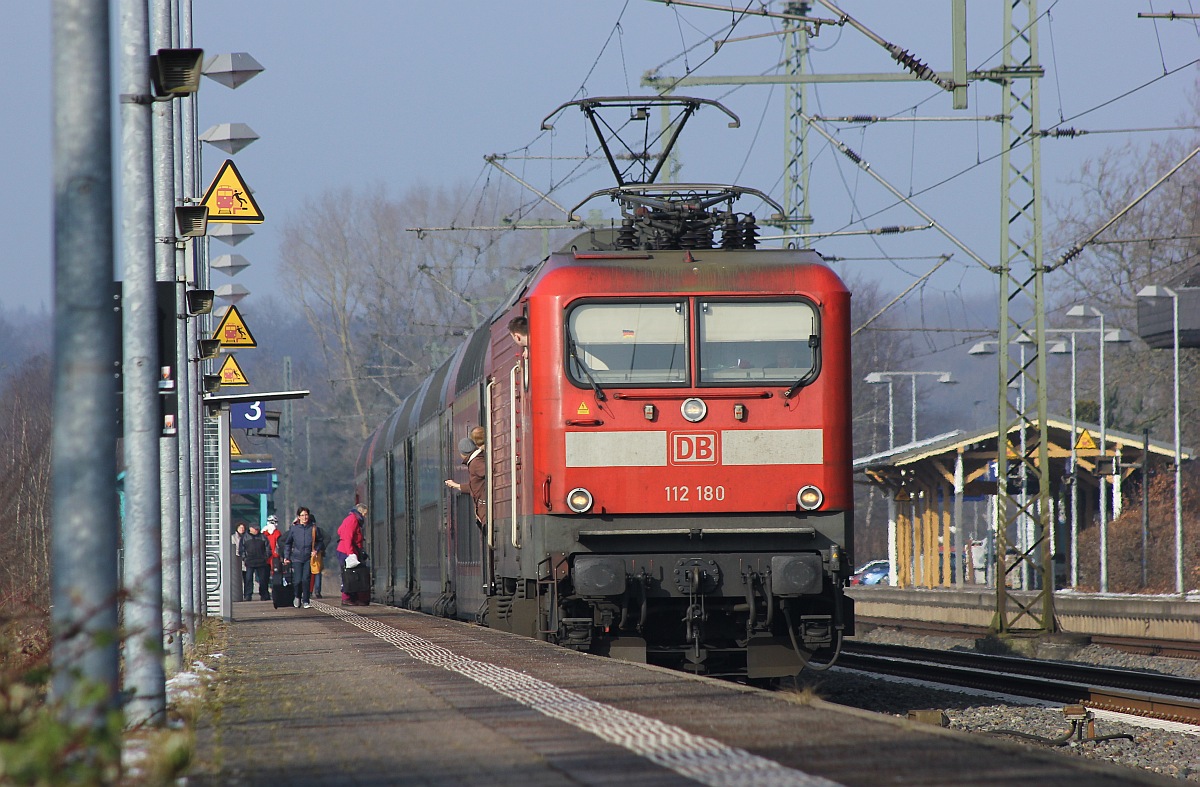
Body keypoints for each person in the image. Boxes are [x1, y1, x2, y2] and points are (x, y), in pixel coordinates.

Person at [282, 506, 324, 609]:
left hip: (308, 558)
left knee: (306, 579)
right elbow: (288, 543)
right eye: (302, 515)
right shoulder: (294, 529)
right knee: (297, 580)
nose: (305, 517)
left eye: (306, 515)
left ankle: (306, 600)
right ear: (298, 517)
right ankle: (297, 596)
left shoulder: (313, 528)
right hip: (296, 558)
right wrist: (286, 556)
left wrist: (316, 550)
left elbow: (320, 541)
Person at [445, 436, 486, 529]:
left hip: (485, 511)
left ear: (463, 453)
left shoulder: (475, 463)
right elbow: (475, 486)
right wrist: (456, 485)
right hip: (484, 514)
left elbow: (492, 472)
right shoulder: (476, 461)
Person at [337, 503, 369, 606]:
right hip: (346, 551)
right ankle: (346, 598)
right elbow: (347, 537)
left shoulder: (352, 519)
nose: (365, 516)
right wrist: (350, 553)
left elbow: (340, 531)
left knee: (354, 574)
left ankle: (353, 597)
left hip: (349, 550)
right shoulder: (353, 520)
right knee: (349, 574)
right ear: (361, 512)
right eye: (365, 513)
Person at [240, 523, 271, 601]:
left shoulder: (263, 537)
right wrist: (245, 558)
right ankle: (248, 595)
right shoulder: (245, 538)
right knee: (248, 579)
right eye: (255, 528)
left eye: (257, 529)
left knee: (263, 579)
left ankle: (264, 595)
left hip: (261, 561)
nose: (256, 530)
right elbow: (241, 549)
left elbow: (268, 548)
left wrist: (265, 558)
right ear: (250, 528)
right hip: (249, 562)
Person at [231, 522, 248, 600]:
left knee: (246, 578)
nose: (242, 529)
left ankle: (246, 594)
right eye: (240, 528)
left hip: (245, 560)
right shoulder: (233, 537)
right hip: (236, 560)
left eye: (243, 528)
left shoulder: (246, 537)